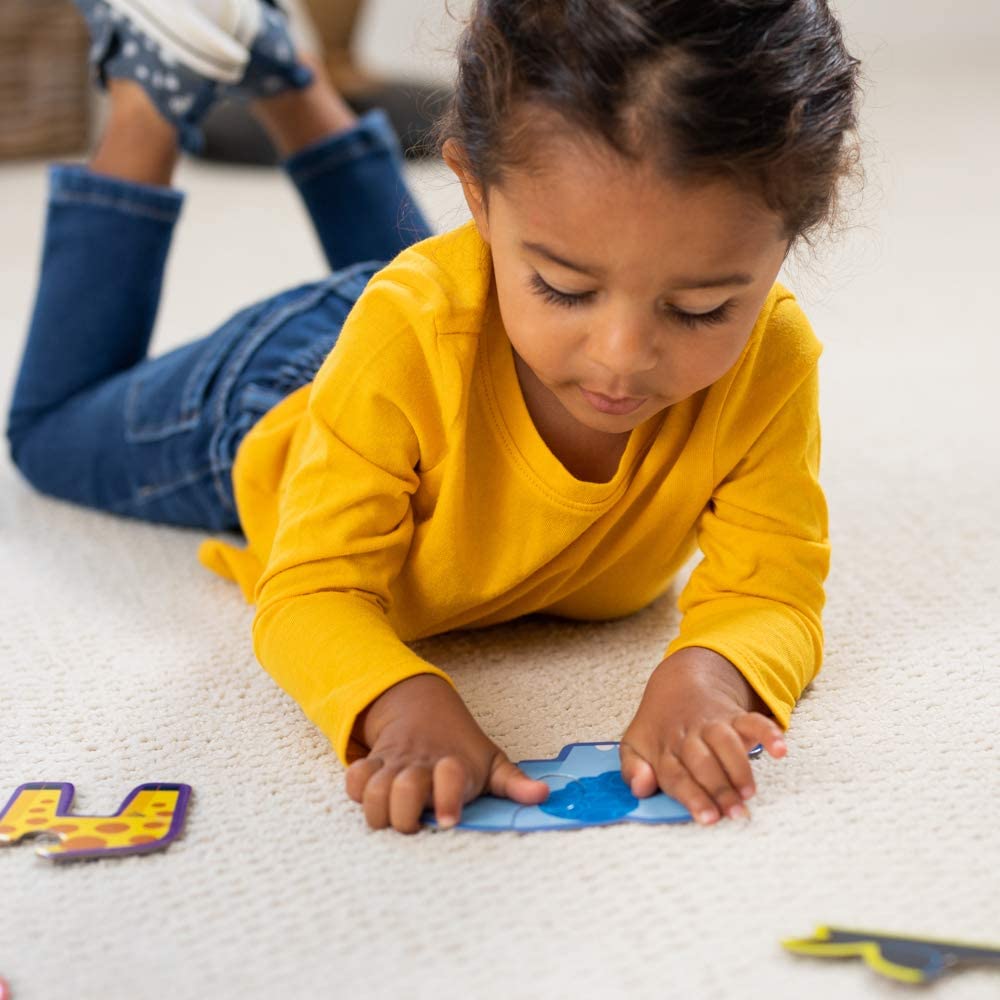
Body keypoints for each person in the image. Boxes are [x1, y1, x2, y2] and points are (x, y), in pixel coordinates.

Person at [6, 0, 861, 835]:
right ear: (475, 198)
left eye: (701, 307)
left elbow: (772, 591)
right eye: (566, 288)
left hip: (440, 333)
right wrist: (399, 699)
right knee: (47, 435)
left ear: (787, 240)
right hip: (285, 387)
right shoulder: (410, 333)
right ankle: (146, 103)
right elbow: (309, 592)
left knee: (444, 303)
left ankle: (288, 77)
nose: (619, 357)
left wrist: (711, 678)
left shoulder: (771, 358)